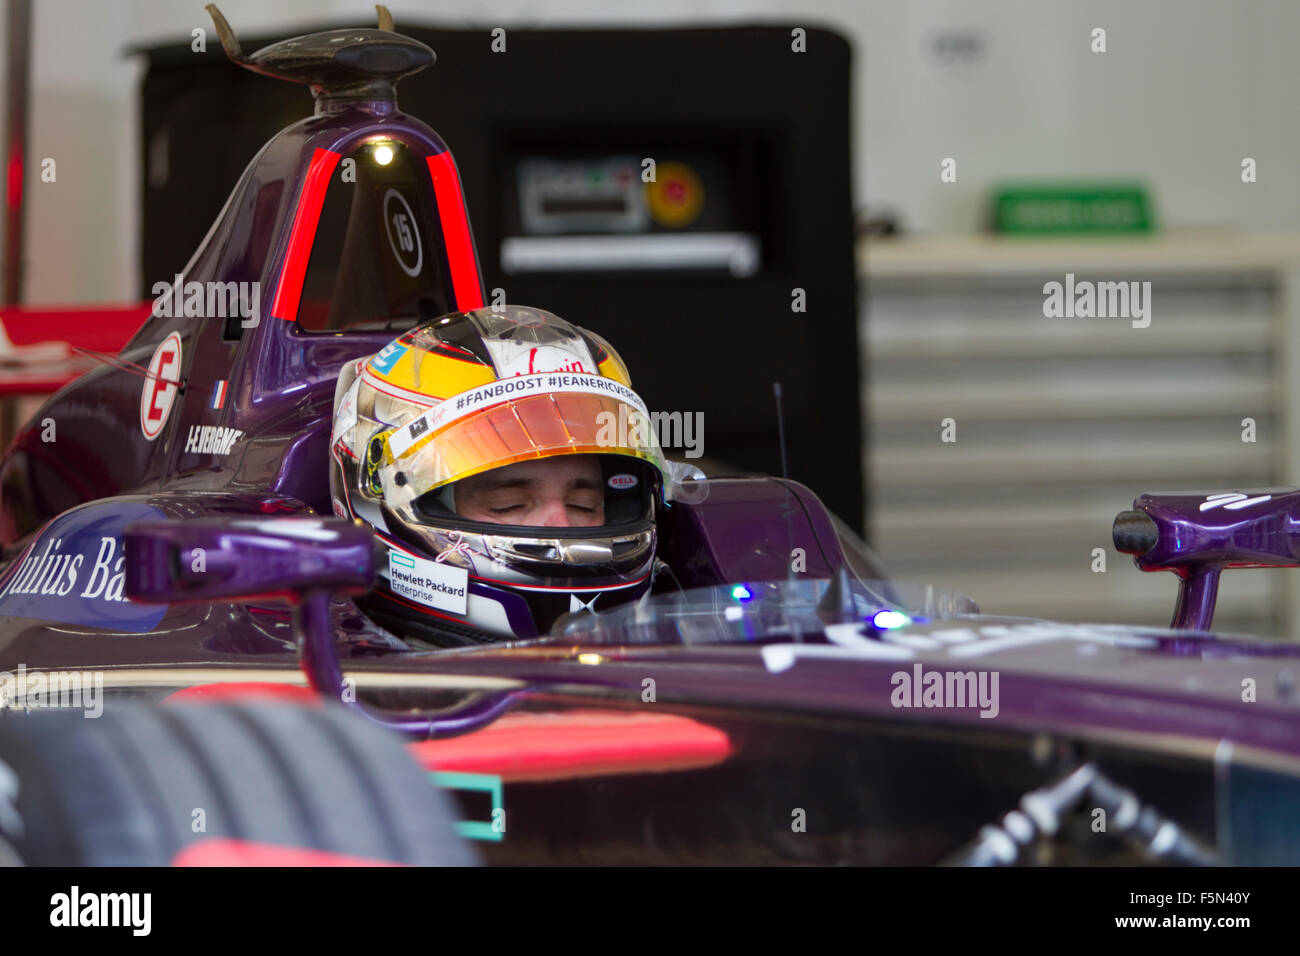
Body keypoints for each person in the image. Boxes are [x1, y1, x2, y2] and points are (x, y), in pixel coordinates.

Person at [329, 304, 679, 646]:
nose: (560, 527)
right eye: (507, 504)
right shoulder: (323, 686)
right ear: (375, 488)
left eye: (584, 504)